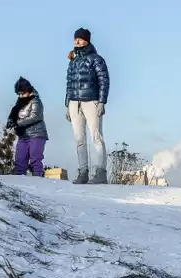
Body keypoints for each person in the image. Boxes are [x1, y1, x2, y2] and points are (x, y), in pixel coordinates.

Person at [65, 27, 110, 184]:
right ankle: (83, 171)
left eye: (81, 39)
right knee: (79, 139)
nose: (77, 41)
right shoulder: (73, 61)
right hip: (74, 102)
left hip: (91, 100)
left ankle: (100, 172)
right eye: (76, 38)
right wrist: (67, 104)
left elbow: (104, 80)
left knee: (96, 137)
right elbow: (69, 83)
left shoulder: (96, 59)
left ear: (87, 41)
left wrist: (102, 101)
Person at [6, 77, 49, 176]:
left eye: (23, 93)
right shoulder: (19, 103)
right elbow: (14, 114)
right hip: (23, 135)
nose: (21, 96)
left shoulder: (36, 101)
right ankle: (20, 183)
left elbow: (35, 117)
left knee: (35, 159)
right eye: (19, 94)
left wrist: (18, 123)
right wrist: (11, 121)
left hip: (36, 134)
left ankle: (38, 179)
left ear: (29, 91)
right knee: (20, 160)